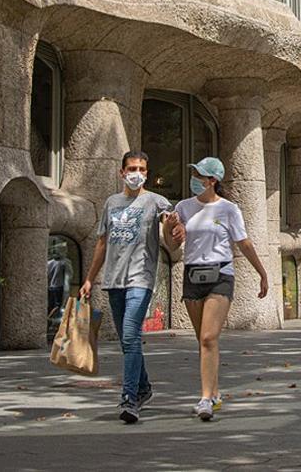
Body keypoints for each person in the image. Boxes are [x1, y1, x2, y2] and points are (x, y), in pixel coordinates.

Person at [164, 156, 270, 420]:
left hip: (220, 273)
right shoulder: (184, 207)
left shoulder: (229, 209)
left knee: (209, 338)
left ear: (213, 181)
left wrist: (262, 273)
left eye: (200, 175)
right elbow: (173, 245)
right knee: (202, 340)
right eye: (194, 174)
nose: (195, 180)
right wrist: (169, 229)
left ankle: (204, 399)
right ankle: (214, 392)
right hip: (193, 273)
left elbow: (243, 243)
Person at [79, 151, 172, 424]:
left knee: (131, 336)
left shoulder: (156, 201)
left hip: (140, 279)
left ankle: (129, 399)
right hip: (113, 280)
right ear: (122, 172)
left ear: (147, 172)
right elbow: (102, 243)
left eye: (142, 169)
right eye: (132, 168)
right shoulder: (112, 202)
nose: (137, 173)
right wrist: (88, 278)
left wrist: (174, 228)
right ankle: (143, 388)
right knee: (127, 341)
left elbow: (170, 229)